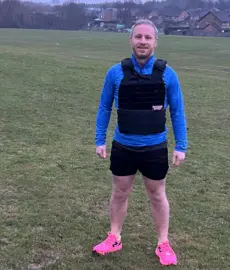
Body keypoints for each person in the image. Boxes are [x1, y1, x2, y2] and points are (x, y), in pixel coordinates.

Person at [92, 19, 188, 266]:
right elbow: (104, 107)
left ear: (155, 41)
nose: (142, 41)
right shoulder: (115, 73)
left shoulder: (168, 74)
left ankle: (163, 243)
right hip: (123, 146)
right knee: (119, 193)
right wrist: (99, 139)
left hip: (155, 148)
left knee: (157, 195)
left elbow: (177, 111)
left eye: (147, 37)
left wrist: (181, 145)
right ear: (130, 40)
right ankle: (114, 237)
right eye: (138, 37)